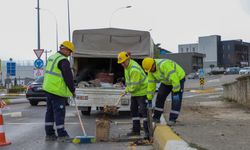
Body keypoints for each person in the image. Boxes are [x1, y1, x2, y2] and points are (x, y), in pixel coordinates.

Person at [42, 41, 75, 142]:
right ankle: (62, 135)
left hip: (48, 88)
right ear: (64, 49)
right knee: (59, 112)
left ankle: (49, 134)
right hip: (57, 90)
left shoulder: (52, 57)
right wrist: (72, 90)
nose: (70, 54)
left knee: (50, 112)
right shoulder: (63, 61)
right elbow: (68, 78)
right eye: (70, 51)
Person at [142, 57, 186, 126]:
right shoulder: (150, 71)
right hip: (166, 81)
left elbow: (174, 77)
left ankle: (172, 119)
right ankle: (156, 117)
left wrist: (176, 91)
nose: (151, 71)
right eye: (149, 70)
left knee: (175, 99)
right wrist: (149, 98)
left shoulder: (164, 65)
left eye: (151, 69)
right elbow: (151, 85)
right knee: (160, 96)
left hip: (178, 78)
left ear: (154, 64)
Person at [117, 51, 149, 139]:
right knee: (133, 110)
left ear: (128, 59)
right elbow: (129, 83)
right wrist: (125, 90)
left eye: (123, 62)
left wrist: (127, 91)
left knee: (144, 111)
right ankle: (136, 131)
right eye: (121, 63)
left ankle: (147, 132)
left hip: (142, 92)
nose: (122, 64)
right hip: (135, 93)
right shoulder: (127, 67)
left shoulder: (134, 69)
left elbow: (134, 86)